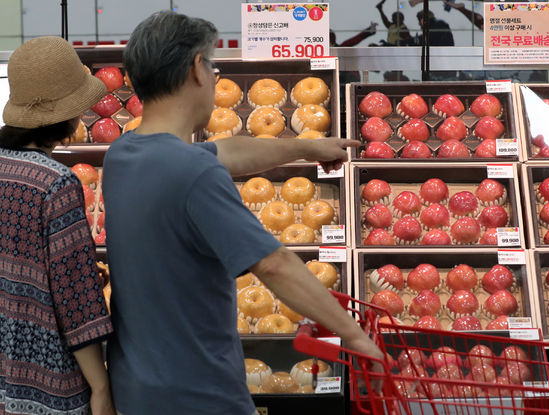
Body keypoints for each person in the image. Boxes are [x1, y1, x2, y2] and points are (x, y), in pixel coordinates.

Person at [102, 11, 384, 415]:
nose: (216, 76)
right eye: (213, 64)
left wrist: (307, 148)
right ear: (197, 69)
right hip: (200, 393)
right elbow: (275, 265)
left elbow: (226, 152)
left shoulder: (123, 155)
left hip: (138, 387)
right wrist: (354, 337)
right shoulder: (196, 173)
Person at [0, 37, 115, 415]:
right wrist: (100, 387)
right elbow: (75, 296)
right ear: (69, 114)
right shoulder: (56, 183)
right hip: (44, 380)